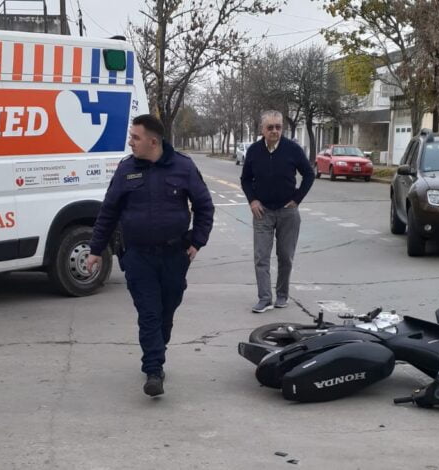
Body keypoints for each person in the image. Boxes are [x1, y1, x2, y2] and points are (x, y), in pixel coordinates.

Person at [85, 114, 214, 397]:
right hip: (137, 255)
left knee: (167, 309)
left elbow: (204, 206)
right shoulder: (126, 170)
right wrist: (95, 250)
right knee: (149, 312)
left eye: (135, 137)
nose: (130, 142)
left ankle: (157, 347)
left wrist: (197, 241)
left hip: (174, 254)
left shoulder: (183, 167)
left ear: (153, 141)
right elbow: (109, 211)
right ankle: (153, 369)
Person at [241, 110, 314, 313]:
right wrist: (252, 200)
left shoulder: (292, 149)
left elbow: (309, 174)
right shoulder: (254, 151)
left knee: (285, 256)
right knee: (261, 257)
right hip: (262, 212)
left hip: (287, 212)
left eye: (278, 127)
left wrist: (297, 199)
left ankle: (282, 295)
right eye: (270, 127)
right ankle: (264, 298)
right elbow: (245, 179)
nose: (274, 131)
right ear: (262, 129)